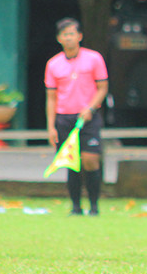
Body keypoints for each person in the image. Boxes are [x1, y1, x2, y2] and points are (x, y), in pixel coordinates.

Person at [45, 17, 109, 216]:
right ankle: (75, 207)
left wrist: (90, 108)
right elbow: (51, 98)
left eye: (72, 34)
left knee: (90, 160)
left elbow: (103, 87)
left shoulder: (94, 58)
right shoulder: (53, 64)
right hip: (64, 117)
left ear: (80, 36)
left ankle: (94, 206)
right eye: (65, 35)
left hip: (88, 118)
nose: (69, 38)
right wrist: (50, 126)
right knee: (71, 162)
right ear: (59, 38)